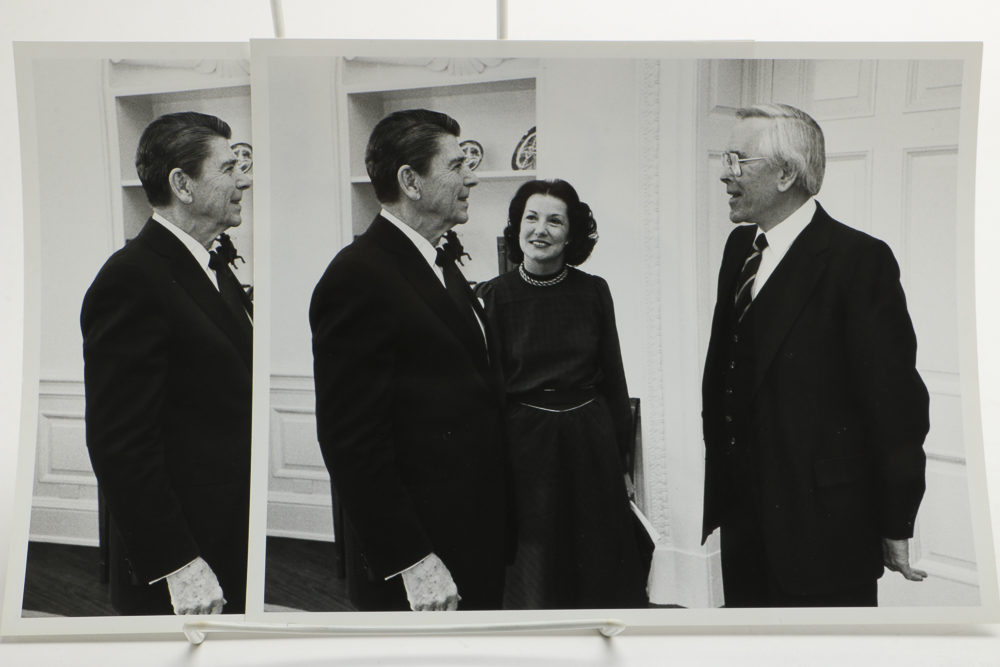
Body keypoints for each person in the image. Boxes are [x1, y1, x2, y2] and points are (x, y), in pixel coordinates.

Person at [701, 103, 930, 607]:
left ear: (786, 173)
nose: (724, 173)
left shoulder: (859, 262)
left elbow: (896, 407)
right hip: (742, 519)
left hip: (824, 529)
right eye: (725, 158)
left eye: (738, 160)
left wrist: (896, 519)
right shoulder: (740, 248)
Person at [310, 108, 511, 612]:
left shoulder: (438, 261)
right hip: (421, 560)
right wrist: (413, 560)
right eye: (457, 165)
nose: (472, 175)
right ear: (410, 181)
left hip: (470, 535)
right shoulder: (357, 276)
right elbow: (352, 441)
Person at [81, 111, 253, 615]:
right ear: (182, 183)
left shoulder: (211, 266)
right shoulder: (131, 279)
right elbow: (120, 443)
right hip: (185, 564)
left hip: (227, 537)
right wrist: (179, 564)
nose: (243, 178)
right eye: (227, 168)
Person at [477, 179, 650, 610]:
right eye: (531, 218)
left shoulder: (593, 290)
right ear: (517, 227)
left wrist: (622, 463)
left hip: (589, 443)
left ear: (570, 234)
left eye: (555, 221)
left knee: (597, 560)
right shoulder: (492, 296)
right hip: (526, 447)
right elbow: (487, 394)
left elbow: (614, 377)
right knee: (535, 564)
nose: (541, 229)